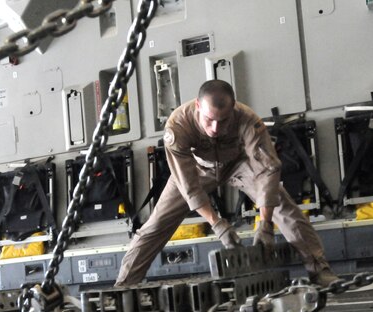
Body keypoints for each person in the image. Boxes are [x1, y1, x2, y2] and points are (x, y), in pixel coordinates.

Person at [115, 80, 339, 287]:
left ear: (233, 110)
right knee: (156, 223)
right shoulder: (178, 125)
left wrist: (266, 223)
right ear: (197, 106)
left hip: (238, 164)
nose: (215, 128)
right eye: (209, 120)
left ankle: (319, 271)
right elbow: (189, 187)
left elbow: (267, 170)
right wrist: (217, 224)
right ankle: (125, 284)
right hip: (197, 169)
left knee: (283, 205)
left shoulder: (248, 120)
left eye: (222, 121)